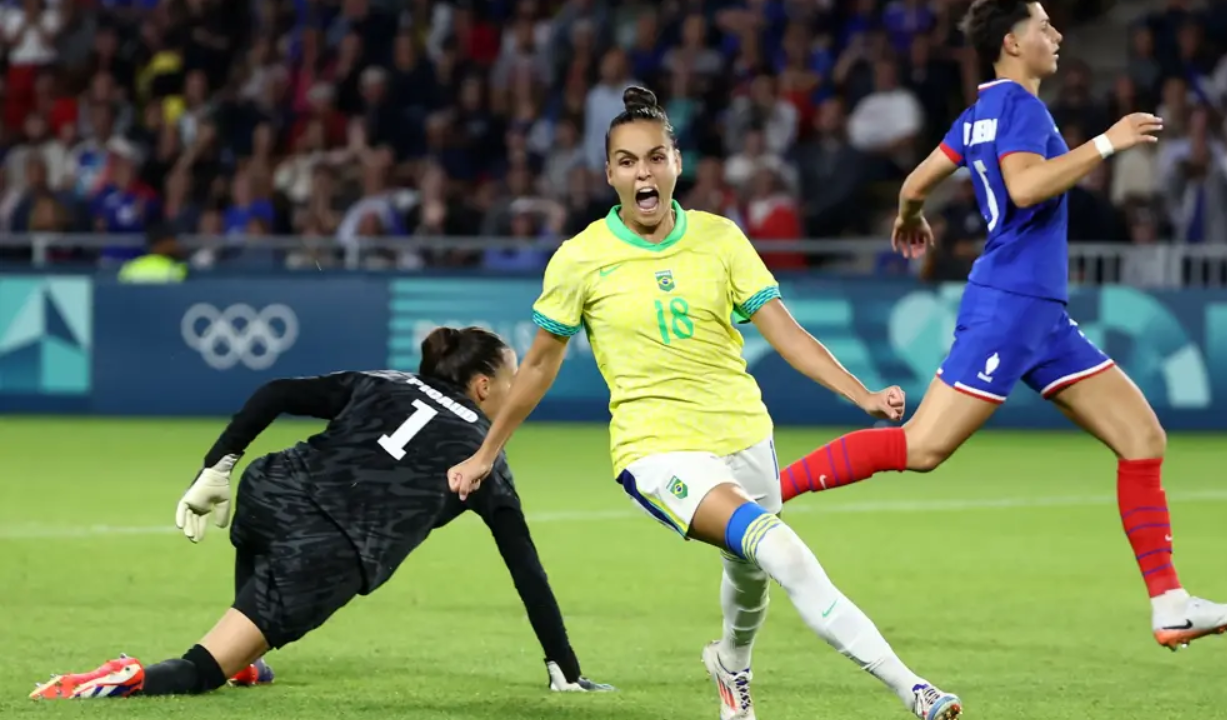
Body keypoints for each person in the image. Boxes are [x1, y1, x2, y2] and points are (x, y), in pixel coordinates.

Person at [447, 86, 963, 720]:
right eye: (629, 161)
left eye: (655, 158)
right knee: (782, 551)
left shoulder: (720, 240)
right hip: (657, 451)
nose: (644, 172)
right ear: (610, 172)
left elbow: (785, 332)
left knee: (750, 581)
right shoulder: (580, 259)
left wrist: (858, 393)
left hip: (744, 434)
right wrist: (484, 453)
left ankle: (730, 666)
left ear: (676, 163)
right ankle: (914, 689)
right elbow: (535, 370)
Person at [776, 0, 1227, 652]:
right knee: (921, 448)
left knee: (1143, 438)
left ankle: (1170, 603)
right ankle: (765, 493)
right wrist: (1106, 143)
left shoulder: (980, 114)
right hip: (1010, 305)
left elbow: (920, 178)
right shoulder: (1022, 110)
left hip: (1041, 317)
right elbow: (1026, 188)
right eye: (1042, 24)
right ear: (1011, 40)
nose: (1056, 32)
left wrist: (910, 211)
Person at [30, 326, 613, 700]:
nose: (518, 389)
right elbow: (526, 569)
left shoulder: (384, 382)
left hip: (268, 488)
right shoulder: (484, 455)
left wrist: (217, 466)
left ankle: (245, 660)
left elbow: (277, 392)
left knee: (257, 577)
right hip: (325, 552)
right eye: (513, 377)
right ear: (484, 387)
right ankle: (123, 679)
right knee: (198, 671)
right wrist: (563, 665)